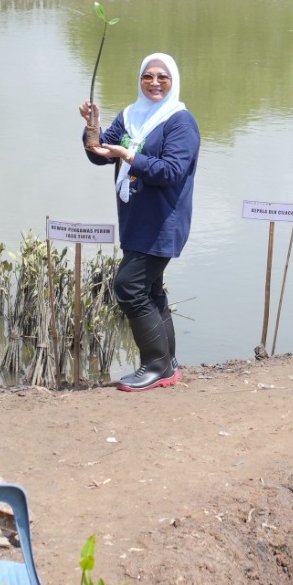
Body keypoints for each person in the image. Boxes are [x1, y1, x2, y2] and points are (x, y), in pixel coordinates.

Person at [80, 53, 200, 392]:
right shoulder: (131, 116)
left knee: (128, 286)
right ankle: (168, 364)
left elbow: (172, 171)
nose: (155, 82)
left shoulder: (180, 122)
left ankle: (155, 365)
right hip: (135, 218)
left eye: (163, 76)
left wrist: (130, 155)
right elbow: (100, 152)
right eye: (148, 76)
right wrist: (93, 126)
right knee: (149, 289)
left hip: (164, 221)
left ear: (173, 80)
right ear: (140, 79)